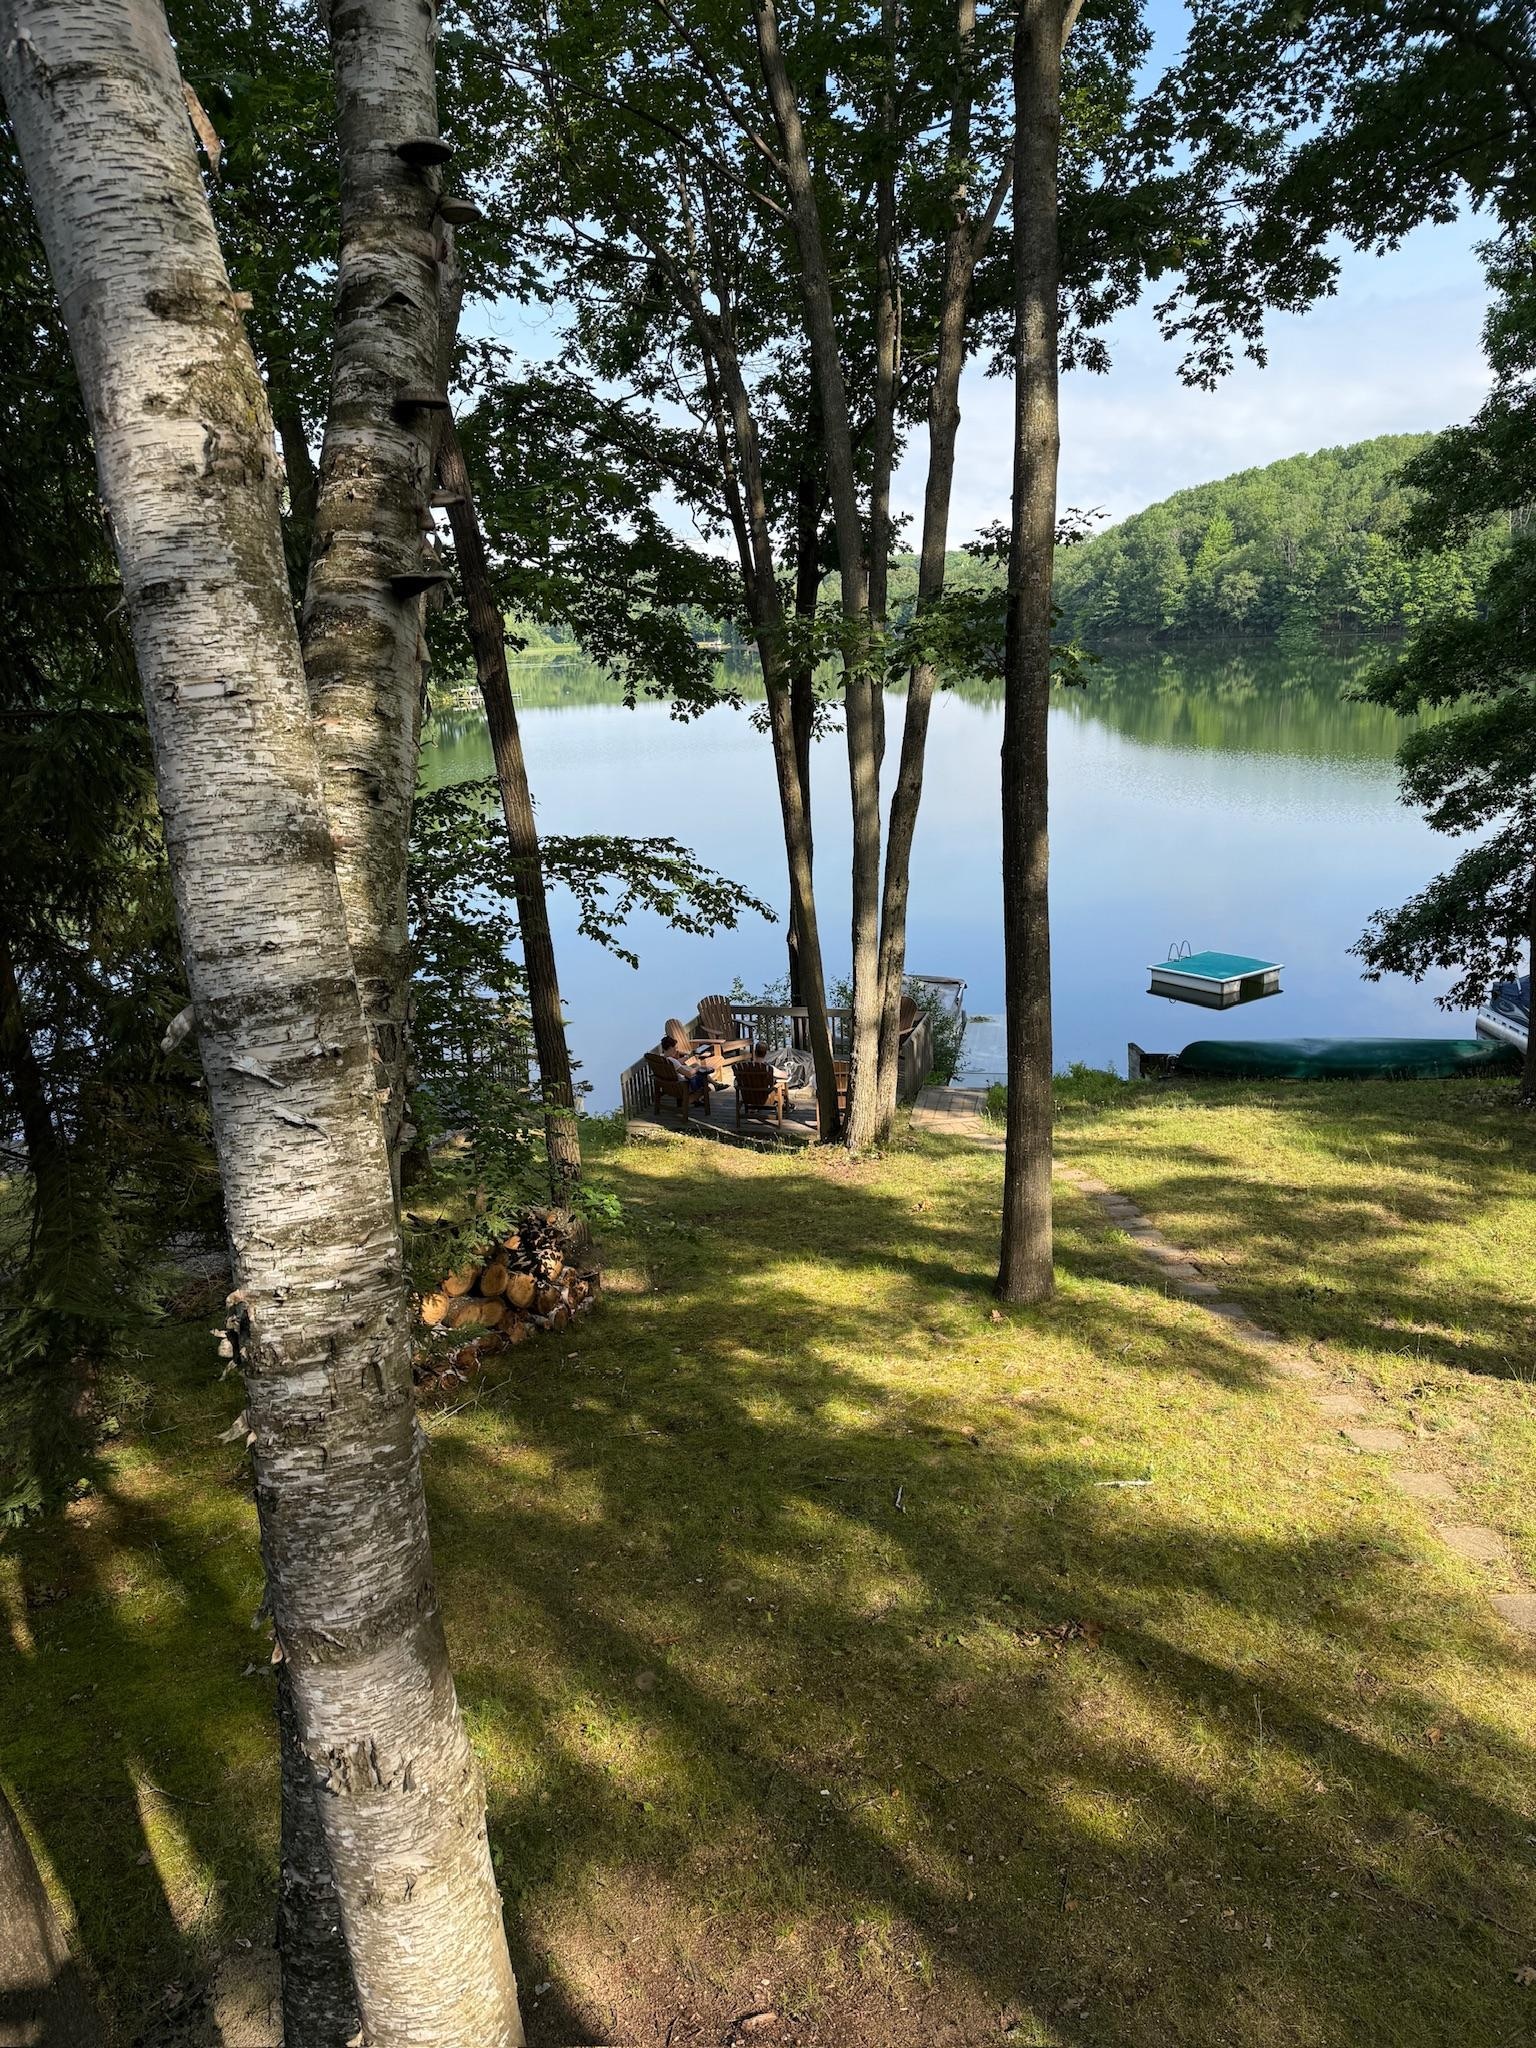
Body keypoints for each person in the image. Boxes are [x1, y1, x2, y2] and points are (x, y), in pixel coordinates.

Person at [660, 1035, 714, 1106]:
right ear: (670, 1048)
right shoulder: (672, 1061)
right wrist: (699, 1067)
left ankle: (715, 1085)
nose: (676, 1050)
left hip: (669, 1086)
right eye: (675, 1048)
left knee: (694, 1066)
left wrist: (688, 1056)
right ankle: (688, 1101)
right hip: (683, 1086)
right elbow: (689, 1074)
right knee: (706, 1086)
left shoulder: (662, 1058)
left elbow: (677, 1063)